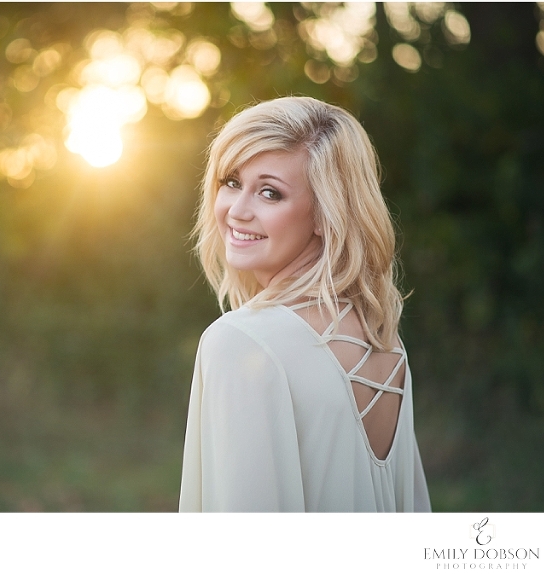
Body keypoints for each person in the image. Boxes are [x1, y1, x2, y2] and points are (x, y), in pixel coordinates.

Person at [178, 96, 430, 512]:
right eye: (232, 182)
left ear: (324, 214)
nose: (237, 211)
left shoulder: (241, 341)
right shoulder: (384, 341)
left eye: (270, 193)